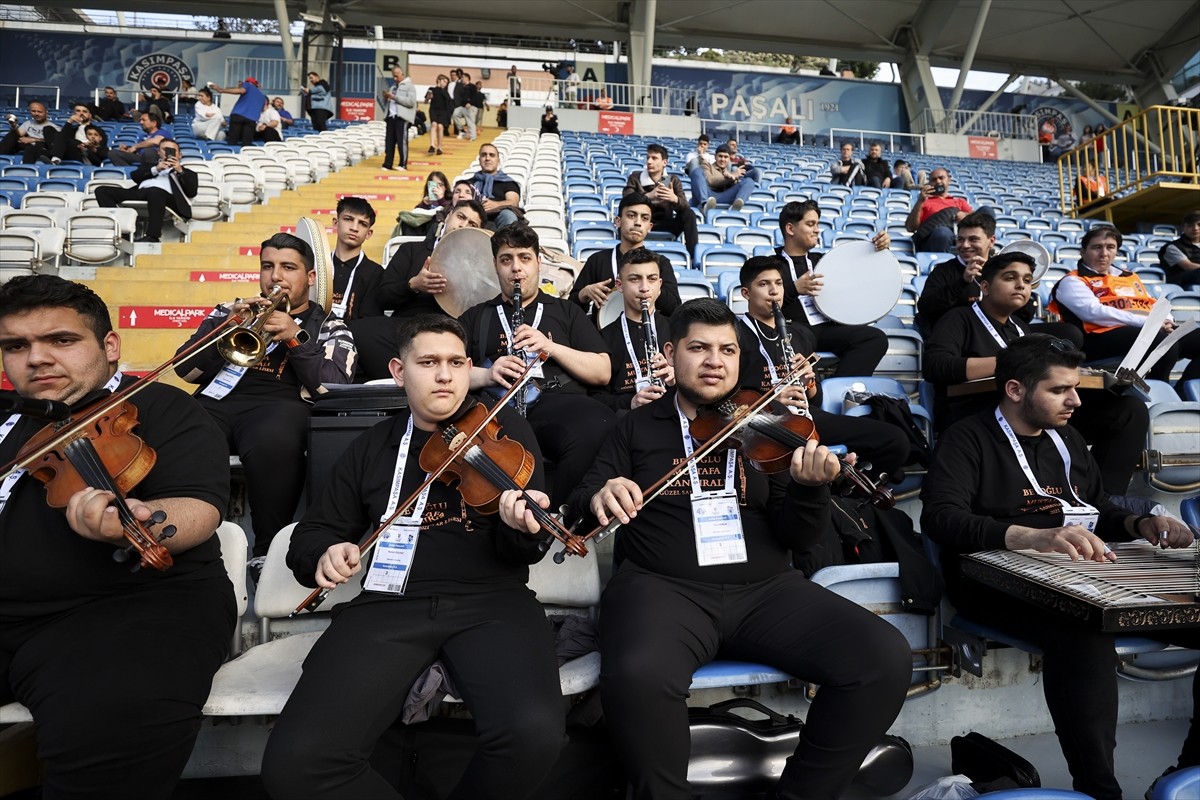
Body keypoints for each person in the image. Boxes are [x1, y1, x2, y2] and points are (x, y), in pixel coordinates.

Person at [568, 297, 911, 800]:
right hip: (662, 591)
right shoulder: (635, 426)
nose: (715, 361)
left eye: (727, 350)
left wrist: (810, 491)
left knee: (883, 657)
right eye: (699, 348)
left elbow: (798, 538)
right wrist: (602, 493)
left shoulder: (768, 428)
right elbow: (582, 498)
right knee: (639, 675)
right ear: (671, 354)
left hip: (766, 592)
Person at [260, 314, 565, 800]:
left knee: (533, 738)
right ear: (399, 372)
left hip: (491, 603)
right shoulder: (370, 446)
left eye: (456, 363)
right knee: (297, 763)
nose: (445, 375)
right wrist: (324, 554)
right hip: (388, 604)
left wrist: (522, 530)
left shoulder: (505, 432)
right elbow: (313, 534)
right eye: (428, 363)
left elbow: (521, 552)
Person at [920, 334, 1200, 800]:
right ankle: (1100, 789)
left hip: (1074, 571)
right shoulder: (966, 438)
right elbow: (940, 518)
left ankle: (1188, 771)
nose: (1075, 401)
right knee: (1083, 637)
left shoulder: (1066, 437)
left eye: (1074, 388)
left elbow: (1096, 507)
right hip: (989, 580)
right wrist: (1030, 536)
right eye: (1059, 390)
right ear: (1015, 390)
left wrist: (1138, 523)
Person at [0, 275, 235, 799]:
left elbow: (198, 508)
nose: (36, 359)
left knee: (114, 707)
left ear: (109, 346)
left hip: (123, 612)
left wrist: (135, 523)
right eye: (16, 346)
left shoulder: (163, 408)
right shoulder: (11, 419)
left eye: (61, 340)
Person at [174, 233, 357, 567]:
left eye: (288, 267)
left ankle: (267, 551)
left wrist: (296, 338)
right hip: (217, 402)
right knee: (183, 429)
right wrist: (226, 326)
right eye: (268, 266)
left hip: (279, 408)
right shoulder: (229, 311)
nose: (276, 277)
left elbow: (333, 388)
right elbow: (185, 370)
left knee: (272, 439)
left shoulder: (330, 325)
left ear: (310, 277)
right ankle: (187, 539)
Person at [923, 252, 1147, 494]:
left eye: (1027, 280)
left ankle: (1105, 500)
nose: (1021, 285)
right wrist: (1011, 363)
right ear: (985, 287)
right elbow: (936, 366)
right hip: (979, 412)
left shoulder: (1020, 328)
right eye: (1010, 278)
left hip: (1031, 412)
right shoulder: (958, 318)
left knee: (1128, 410)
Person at [460, 223, 614, 504]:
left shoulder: (566, 311)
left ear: (539, 263)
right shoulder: (476, 316)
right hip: (496, 409)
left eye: (525, 258)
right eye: (506, 260)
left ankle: (565, 513)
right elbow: (448, 372)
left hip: (555, 402)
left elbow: (602, 371)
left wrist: (550, 347)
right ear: (495, 266)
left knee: (597, 422)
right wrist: (488, 374)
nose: (516, 268)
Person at [737, 255, 910, 481]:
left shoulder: (799, 334)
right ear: (746, 293)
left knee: (895, 440)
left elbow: (816, 400)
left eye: (778, 283)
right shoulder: (734, 336)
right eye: (764, 284)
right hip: (763, 422)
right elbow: (728, 399)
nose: (774, 291)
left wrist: (809, 381)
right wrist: (771, 401)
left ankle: (847, 490)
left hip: (806, 416)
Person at [1050, 224, 1200, 384]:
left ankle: (1184, 390)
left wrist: (1166, 320)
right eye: (1097, 247)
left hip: (1145, 328)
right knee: (1163, 344)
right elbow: (1094, 313)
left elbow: (1151, 303)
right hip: (1098, 337)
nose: (1104, 253)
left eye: (1110, 247)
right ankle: (1154, 389)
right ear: (1083, 252)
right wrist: (1150, 324)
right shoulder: (1072, 281)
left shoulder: (1129, 277)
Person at [772, 200, 889, 377]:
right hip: (794, 329)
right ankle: (813, 391)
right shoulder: (771, 265)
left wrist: (877, 248)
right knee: (794, 341)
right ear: (790, 229)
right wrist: (794, 288)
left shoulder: (824, 260)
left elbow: (858, 270)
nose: (817, 230)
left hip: (828, 328)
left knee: (875, 338)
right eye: (810, 224)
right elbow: (765, 302)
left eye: (817, 224)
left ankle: (838, 388)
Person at [914, 211, 1039, 337]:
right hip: (954, 340)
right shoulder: (943, 270)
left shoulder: (1002, 272)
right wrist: (962, 282)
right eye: (960, 239)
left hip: (995, 339)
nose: (965, 245)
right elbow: (925, 309)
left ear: (991, 241)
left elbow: (1024, 317)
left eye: (973, 239)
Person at [571, 192, 683, 319]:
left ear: (649, 227)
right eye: (631, 215)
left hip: (647, 330)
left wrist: (653, 288)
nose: (638, 222)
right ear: (618, 221)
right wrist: (585, 293)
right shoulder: (597, 260)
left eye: (644, 218)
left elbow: (675, 309)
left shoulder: (660, 263)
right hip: (602, 331)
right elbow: (570, 309)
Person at [592, 247, 675, 412]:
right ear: (619, 285)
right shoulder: (602, 338)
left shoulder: (678, 331)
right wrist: (630, 402)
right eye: (635, 279)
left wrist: (678, 380)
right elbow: (595, 397)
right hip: (627, 420)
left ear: (660, 285)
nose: (644, 288)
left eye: (652, 279)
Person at [94, 138, 197, 243]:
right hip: (142, 193)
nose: (168, 153)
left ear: (180, 155)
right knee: (102, 191)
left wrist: (179, 171)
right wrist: (156, 169)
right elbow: (135, 177)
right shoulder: (150, 166)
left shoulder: (188, 173)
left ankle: (153, 236)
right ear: (158, 152)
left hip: (169, 199)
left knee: (155, 191)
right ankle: (121, 231)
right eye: (164, 149)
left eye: (172, 150)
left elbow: (192, 192)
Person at [624, 143, 699, 261]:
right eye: (648, 157)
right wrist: (649, 196)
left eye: (654, 158)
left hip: (665, 224)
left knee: (689, 214)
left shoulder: (671, 180)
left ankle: (694, 258)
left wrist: (675, 199)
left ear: (664, 162)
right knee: (625, 216)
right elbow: (626, 199)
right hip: (641, 223)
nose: (649, 161)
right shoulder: (636, 177)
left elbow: (685, 205)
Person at [329, 196, 385, 320]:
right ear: (335, 223)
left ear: (368, 234)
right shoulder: (316, 265)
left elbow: (370, 321)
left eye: (362, 224)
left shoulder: (375, 273)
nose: (354, 228)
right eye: (348, 219)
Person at [904, 167, 978, 253]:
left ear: (949, 180)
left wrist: (965, 215)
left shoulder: (959, 201)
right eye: (934, 180)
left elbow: (977, 218)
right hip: (934, 240)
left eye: (941, 178)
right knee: (943, 232)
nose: (938, 181)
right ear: (929, 183)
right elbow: (910, 227)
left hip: (961, 238)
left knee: (986, 211)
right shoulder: (924, 203)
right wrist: (920, 201)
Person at [690, 143, 758, 211]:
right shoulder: (708, 166)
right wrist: (729, 178)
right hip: (708, 194)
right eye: (720, 156)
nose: (723, 159)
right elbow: (710, 181)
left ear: (729, 159)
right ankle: (704, 205)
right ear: (715, 157)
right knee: (697, 171)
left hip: (724, 196)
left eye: (725, 157)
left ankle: (736, 206)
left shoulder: (731, 172)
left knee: (749, 181)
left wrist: (735, 179)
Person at [469, 143, 522, 229]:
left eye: (492, 155)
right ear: (479, 160)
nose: (487, 158)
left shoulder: (509, 183)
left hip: (499, 215)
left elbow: (513, 202)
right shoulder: (469, 183)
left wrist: (496, 204)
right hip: (473, 214)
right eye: (484, 155)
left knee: (508, 215)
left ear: (498, 161)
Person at [207, 77, 265, 147]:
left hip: (238, 115)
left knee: (232, 141)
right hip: (251, 120)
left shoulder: (248, 85)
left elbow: (242, 91)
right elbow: (262, 109)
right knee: (246, 145)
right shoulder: (263, 97)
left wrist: (220, 90)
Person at [42, 102, 106, 166]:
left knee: (74, 141)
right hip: (70, 152)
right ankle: (55, 159)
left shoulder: (97, 130)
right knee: (48, 129)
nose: (81, 113)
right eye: (78, 111)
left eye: (84, 111)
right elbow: (62, 138)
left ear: (90, 115)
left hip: (86, 155)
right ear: (74, 114)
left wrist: (88, 146)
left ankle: (54, 159)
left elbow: (101, 148)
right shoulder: (72, 129)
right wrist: (70, 121)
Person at [381, 65, 416, 171]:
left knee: (401, 141)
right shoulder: (393, 87)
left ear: (402, 74)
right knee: (389, 142)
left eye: (396, 76)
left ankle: (403, 164)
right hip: (391, 116)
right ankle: (388, 164)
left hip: (402, 117)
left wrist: (395, 97)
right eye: (393, 76)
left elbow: (411, 102)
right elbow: (388, 102)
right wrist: (386, 97)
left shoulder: (409, 86)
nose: (395, 78)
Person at [108, 109, 172, 166]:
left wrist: (135, 146)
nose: (141, 122)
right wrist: (127, 150)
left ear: (154, 123)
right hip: (142, 158)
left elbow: (155, 142)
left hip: (156, 158)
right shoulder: (143, 136)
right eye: (140, 120)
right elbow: (138, 152)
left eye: (144, 120)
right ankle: (129, 172)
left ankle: (149, 172)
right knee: (113, 153)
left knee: (148, 152)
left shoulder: (163, 132)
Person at [1158, 210, 1200, 288]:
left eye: (1199, 225)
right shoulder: (1172, 247)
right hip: (1181, 284)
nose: (1195, 228)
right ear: (1183, 228)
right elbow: (1188, 266)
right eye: (1190, 225)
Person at [427, 73, 453, 155]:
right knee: (434, 124)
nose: (445, 84)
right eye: (444, 81)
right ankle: (432, 145)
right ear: (439, 80)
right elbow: (426, 101)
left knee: (440, 126)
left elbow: (449, 102)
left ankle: (440, 147)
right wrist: (428, 97)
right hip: (433, 110)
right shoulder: (432, 89)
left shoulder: (445, 92)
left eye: (446, 83)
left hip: (443, 111)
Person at [451, 71, 479, 141]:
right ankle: (462, 130)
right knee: (455, 114)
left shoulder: (472, 87)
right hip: (463, 107)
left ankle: (473, 137)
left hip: (471, 107)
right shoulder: (462, 87)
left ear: (467, 78)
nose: (461, 79)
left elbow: (475, 97)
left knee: (470, 122)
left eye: (463, 77)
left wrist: (470, 103)